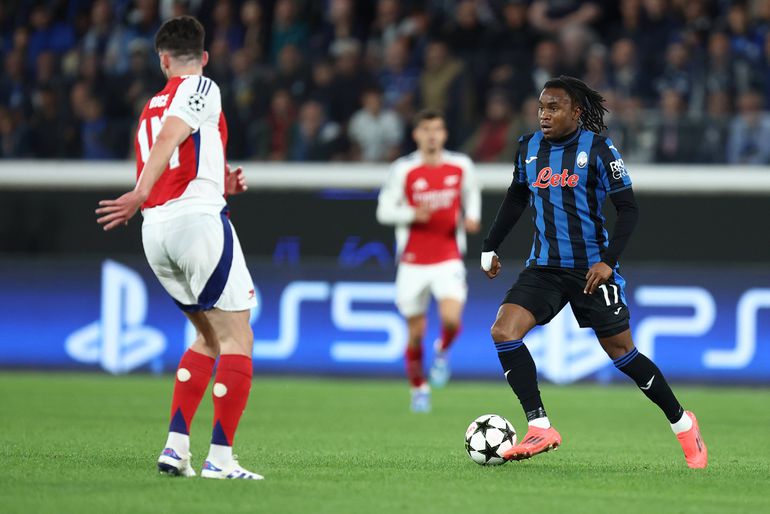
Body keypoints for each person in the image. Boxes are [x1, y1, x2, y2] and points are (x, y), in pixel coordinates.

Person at [480, 76, 707, 468]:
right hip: (544, 267)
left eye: (553, 108)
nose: (544, 115)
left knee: (623, 355)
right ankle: (540, 425)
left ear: (576, 112)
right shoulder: (528, 148)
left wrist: (608, 261)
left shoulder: (599, 150)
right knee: (503, 331)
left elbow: (628, 209)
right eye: (541, 107)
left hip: (591, 270)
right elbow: (517, 196)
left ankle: (683, 423)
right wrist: (490, 245)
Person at [95, 16, 262, 480]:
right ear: (203, 57)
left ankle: (175, 448)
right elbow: (173, 135)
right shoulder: (203, 86)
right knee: (238, 338)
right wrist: (139, 191)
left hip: (157, 232)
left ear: (162, 60)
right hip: (194, 222)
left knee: (207, 337)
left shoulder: (150, 105)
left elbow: (181, 147)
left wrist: (221, 178)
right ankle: (221, 460)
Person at [376, 109, 481, 413]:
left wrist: (472, 216)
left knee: (451, 319)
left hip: (448, 256)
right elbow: (383, 211)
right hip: (412, 261)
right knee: (415, 332)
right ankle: (418, 388)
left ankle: (442, 350)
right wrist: (411, 213)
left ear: (444, 134)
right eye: (425, 129)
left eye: (437, 129)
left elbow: (472, 193)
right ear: (416, 134)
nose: (431, 135)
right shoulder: (403, 169)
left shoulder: (460, 165)